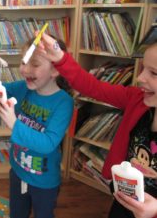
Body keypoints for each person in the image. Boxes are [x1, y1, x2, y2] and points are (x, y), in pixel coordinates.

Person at [36, 32, 157, 218]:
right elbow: (92, 87)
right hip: (124, 197)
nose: (140, 77)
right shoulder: (136, 98)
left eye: (154, 73)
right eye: (143, 69)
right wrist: (60, 57)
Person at [0, 38, 74, 218]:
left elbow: (48, 143)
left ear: (55, 69)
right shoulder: (23, 87)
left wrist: (14, 123)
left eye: (35, 64)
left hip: (44, 181)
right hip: (17, 171)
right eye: (24, 62)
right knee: (17, 213)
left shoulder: (64, 103)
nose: (25, 69)